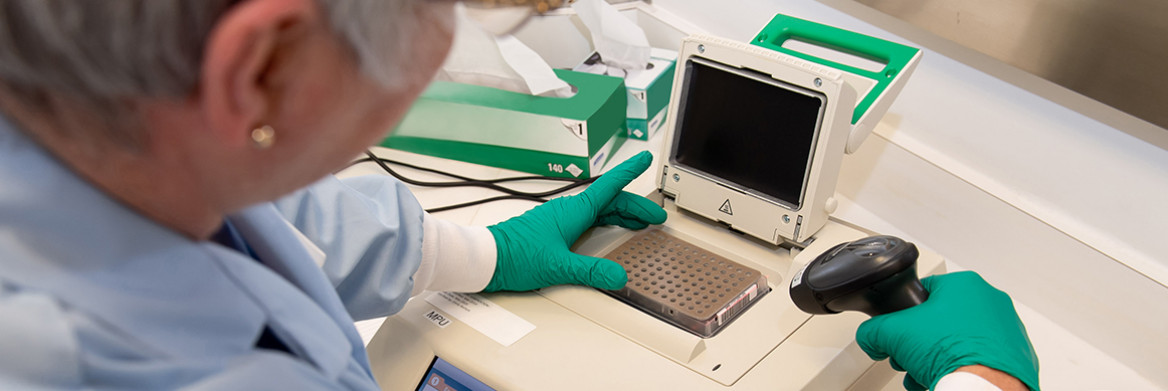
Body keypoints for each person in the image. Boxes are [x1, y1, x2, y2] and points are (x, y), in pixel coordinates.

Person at [0, 0, 1037, 389]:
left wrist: (488, 252)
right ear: (260, 68)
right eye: (454, 24)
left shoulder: (81, 127)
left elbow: (268, 210)